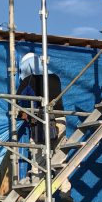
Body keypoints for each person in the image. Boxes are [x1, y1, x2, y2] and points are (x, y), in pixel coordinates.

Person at [17, 52, 69, 189]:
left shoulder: (28, 80)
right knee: (59, 157)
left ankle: (38, 189)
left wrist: (23, 114)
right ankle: (65, 191)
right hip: (60, 119)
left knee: (38, 158)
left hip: (40, 123)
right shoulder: (55, 77)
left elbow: (18, 105)